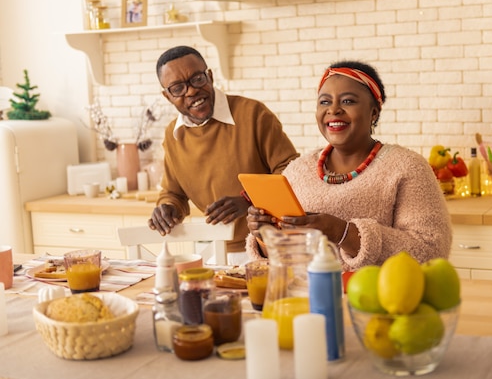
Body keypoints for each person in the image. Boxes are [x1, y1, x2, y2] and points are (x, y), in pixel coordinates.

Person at [245, 60, 452, 270]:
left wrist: (342, 232)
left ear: (374, 112)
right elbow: (283, 260)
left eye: (348, 101)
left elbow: (431, 250)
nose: (334, 110)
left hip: (380, 299)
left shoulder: (407, 167)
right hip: (307, 298)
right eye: (324, 102)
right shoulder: (297, 171)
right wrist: (265, 237)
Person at [149, 45, 299, 264]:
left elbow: (291, 169)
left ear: (209, 76)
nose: (191, 91)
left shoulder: (253, 114)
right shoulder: (173, 136)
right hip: (211, 252)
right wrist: (167, 208)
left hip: (268, 247)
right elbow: (174, 192)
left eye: (197, 79)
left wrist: (249, 200)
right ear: (167, 96)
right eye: (178, 88)